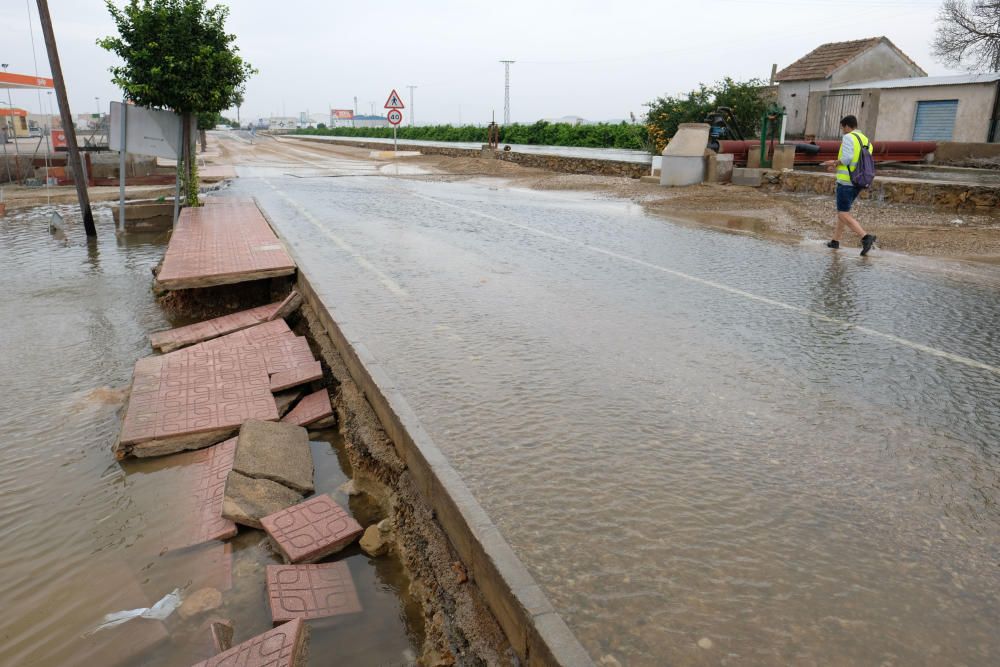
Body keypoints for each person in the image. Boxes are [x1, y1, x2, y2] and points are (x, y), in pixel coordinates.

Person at [821, 115, 877, 256]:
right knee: (843, 212)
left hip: (846, 182)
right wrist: (837, 166)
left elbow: (846, 159)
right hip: (858, 181)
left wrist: (834, 163)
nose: (842, 131)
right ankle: (835, 241)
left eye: (842, 128)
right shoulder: (866, 140)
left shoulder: (848, 137)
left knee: (843, 213)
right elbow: (858, 162)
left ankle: (865, 237)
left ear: (847, 126)